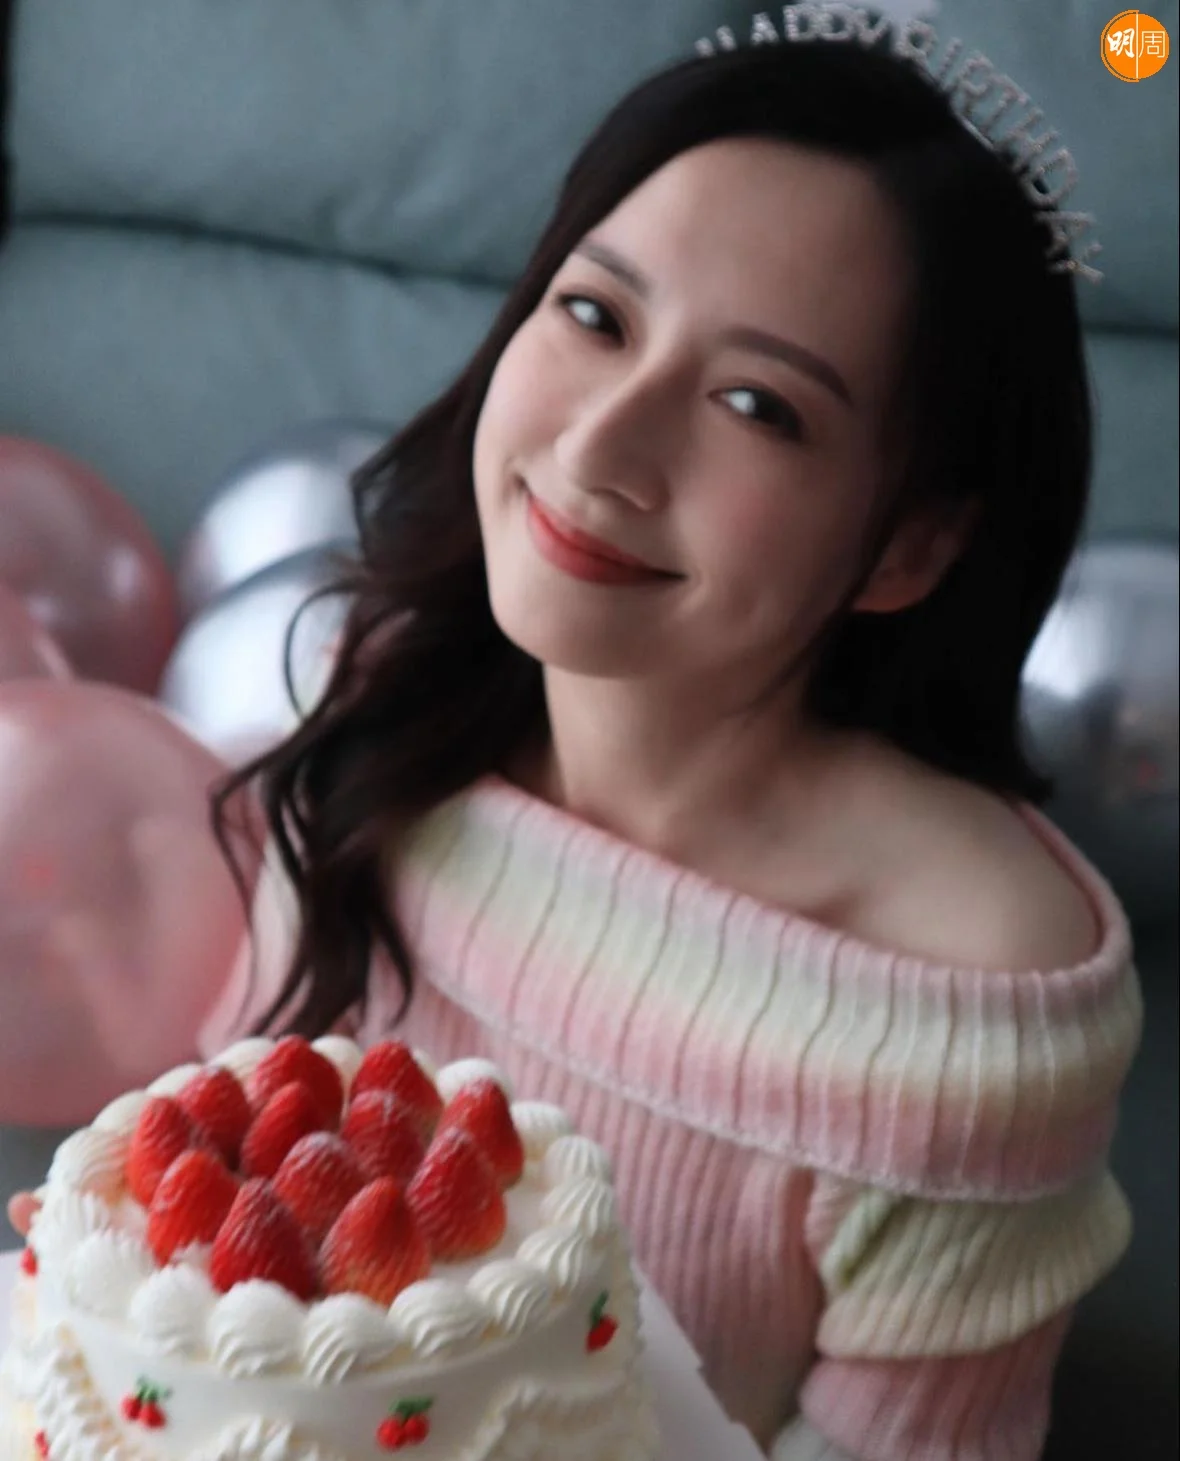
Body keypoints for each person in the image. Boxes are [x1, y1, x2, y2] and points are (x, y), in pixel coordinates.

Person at [9, 24, 1142, 1461]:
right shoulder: (390, 708)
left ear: (911, 543)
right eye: (596, 316)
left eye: (758, 407)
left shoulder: (966, 1001)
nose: (604, 446)